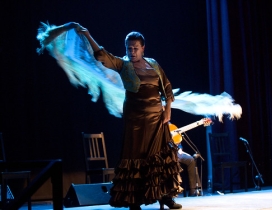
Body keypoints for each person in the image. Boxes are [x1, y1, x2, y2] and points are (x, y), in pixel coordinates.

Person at [43, 22, 183, 210]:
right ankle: (134, 202)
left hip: (157, 120)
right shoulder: (123, 64)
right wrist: (88, 34)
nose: (132, 51)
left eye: (135, 48)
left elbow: (166, 87)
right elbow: (102, 55)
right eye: (129, 48)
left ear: (143, 48)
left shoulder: (154, 64)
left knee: (162, 158)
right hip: (136, 120)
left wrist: (167, 109)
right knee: (136, 158)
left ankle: (165, 197)